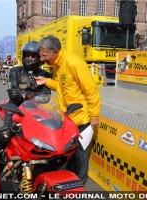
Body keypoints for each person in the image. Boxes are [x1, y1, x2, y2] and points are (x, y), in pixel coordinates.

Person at [35, 35, 101, 184]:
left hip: (82, 118)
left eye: (44, 55)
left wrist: (94, 116)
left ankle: (78, 186)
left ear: (55, 52)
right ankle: (69, 181)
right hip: (69, 117)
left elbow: (91, 91)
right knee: (70, 152)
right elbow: (61, 85)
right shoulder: (57, 64)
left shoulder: (74, 63)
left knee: (80, 155)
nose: (42, 59)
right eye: (41, 55)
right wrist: (46, 81)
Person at [0, 41, 51, 155]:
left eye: (33, 55)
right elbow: (13, 93)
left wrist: (24, 95)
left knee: (50, 135)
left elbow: (46, 97)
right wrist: (32, 95)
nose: (29, 58)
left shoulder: (45, 74)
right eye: (27, 55)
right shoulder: (15, 71)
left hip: (38, 109)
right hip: (15, 108)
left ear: (39, 57)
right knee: (5, 133)